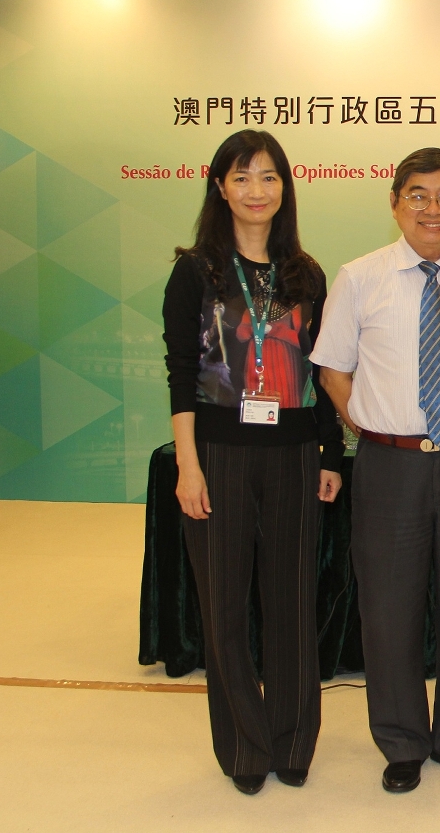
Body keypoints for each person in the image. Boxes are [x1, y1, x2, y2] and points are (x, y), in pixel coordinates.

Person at [312, 147, 440, 794]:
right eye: (418, 195)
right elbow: (333, 369)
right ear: (395, 202)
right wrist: (368, 424)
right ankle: (400, 742)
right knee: (389, 609)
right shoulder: (358, 277)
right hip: (388, 465)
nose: (433, 208)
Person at [162, 129, 344, 795]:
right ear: (219, 187)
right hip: (219, 454)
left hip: (294, 454)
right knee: (226, 610)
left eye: (268, 177)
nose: (256, 191)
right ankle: (244, 745)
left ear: (285, 188)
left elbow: (323, 372)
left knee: (293, 602)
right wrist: (188, 464)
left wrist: (330, 453)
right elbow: (182, 373)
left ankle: (294, 740)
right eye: (241, 178)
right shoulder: (195, 272)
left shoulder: (306, 274)